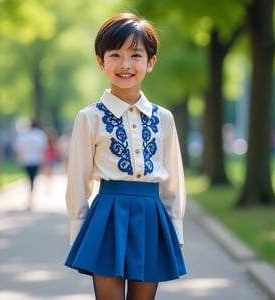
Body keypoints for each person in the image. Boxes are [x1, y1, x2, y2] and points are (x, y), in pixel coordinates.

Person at [64, 12, 186, 300]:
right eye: (115, 54)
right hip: (106, 218)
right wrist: (80, 233)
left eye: (135, 54)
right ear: (100, 61)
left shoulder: (164, 118)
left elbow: (173, 181)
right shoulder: (89, 117)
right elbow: (78, 181)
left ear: (150, 62)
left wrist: (175, 230)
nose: (125, 64)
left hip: (152, 217)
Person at [13, 119, 48, 210]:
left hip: (25, 160)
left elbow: (17, 149)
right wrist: (44, 161)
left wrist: (18, 160)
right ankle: (30, 198)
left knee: (29, 178)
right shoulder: (40, 135)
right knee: (32, 179)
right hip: (36, 160)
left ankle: (29, 197)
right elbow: (44, 149)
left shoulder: (23, 135)